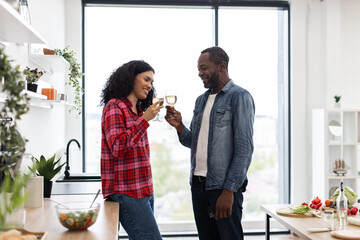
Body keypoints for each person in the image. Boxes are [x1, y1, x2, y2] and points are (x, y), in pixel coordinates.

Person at [165, 47, 255, 240]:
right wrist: (179, 126)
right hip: (198, 187)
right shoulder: (200, 101)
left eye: (204, 68)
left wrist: (229, 190)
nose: (199, 73)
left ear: (221, 66)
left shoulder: (239, 97)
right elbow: (194, 142)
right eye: (199, 68)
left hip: (222, 188)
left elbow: (244, 150)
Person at [100, 60, 163, 240]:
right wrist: (144, 120)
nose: (150, 86)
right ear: (130, 78)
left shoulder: (137, 110)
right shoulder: (114, 107)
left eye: (151, 82)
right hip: (126, 192)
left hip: (143, 189)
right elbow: (118, 147)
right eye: (146, 79)